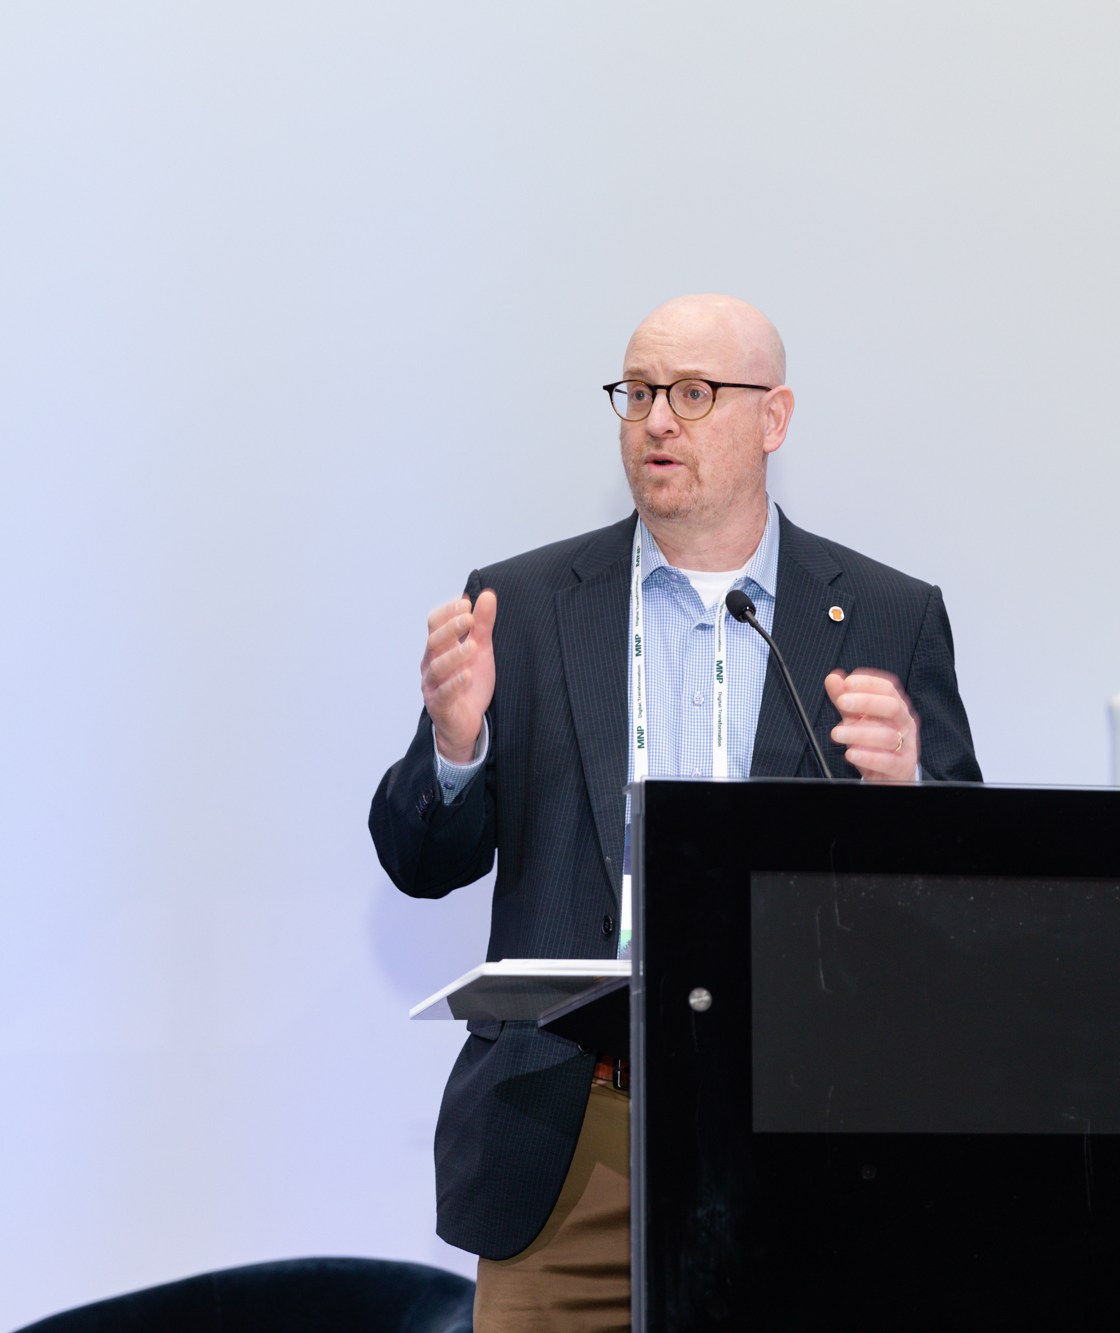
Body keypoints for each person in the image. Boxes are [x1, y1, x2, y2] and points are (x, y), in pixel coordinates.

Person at [370, 294, 982, 1331]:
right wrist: (455, 745)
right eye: (639, 392)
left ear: (773, 418)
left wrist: (910, 798)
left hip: (799, 1139)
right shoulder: (521, 604)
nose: (656, 419)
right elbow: (419, 857)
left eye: (694, 394)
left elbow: (960, 905)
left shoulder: (886, 613)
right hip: (570, 1146)